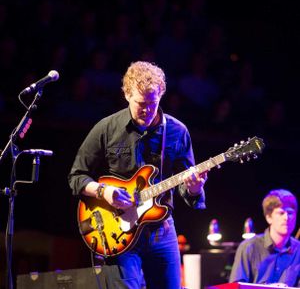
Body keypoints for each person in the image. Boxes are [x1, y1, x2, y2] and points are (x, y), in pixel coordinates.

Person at [68, 61, 208, 289]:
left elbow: (187, 187)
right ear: (126, 95)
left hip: (161, 232)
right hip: (117, 232)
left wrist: (194, 188)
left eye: (153, 103)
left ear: (161, 95)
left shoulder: (177, 131)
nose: (147, 110)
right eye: (141, 103)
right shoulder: (106, 128)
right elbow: (76, 177)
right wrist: (105, 191)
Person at [229, 189, 300, 287]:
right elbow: (235, 287)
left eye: (290, 212)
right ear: (269, 217)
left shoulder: (298, 250)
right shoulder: (249, 247)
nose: (286, 217)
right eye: (281, 212)